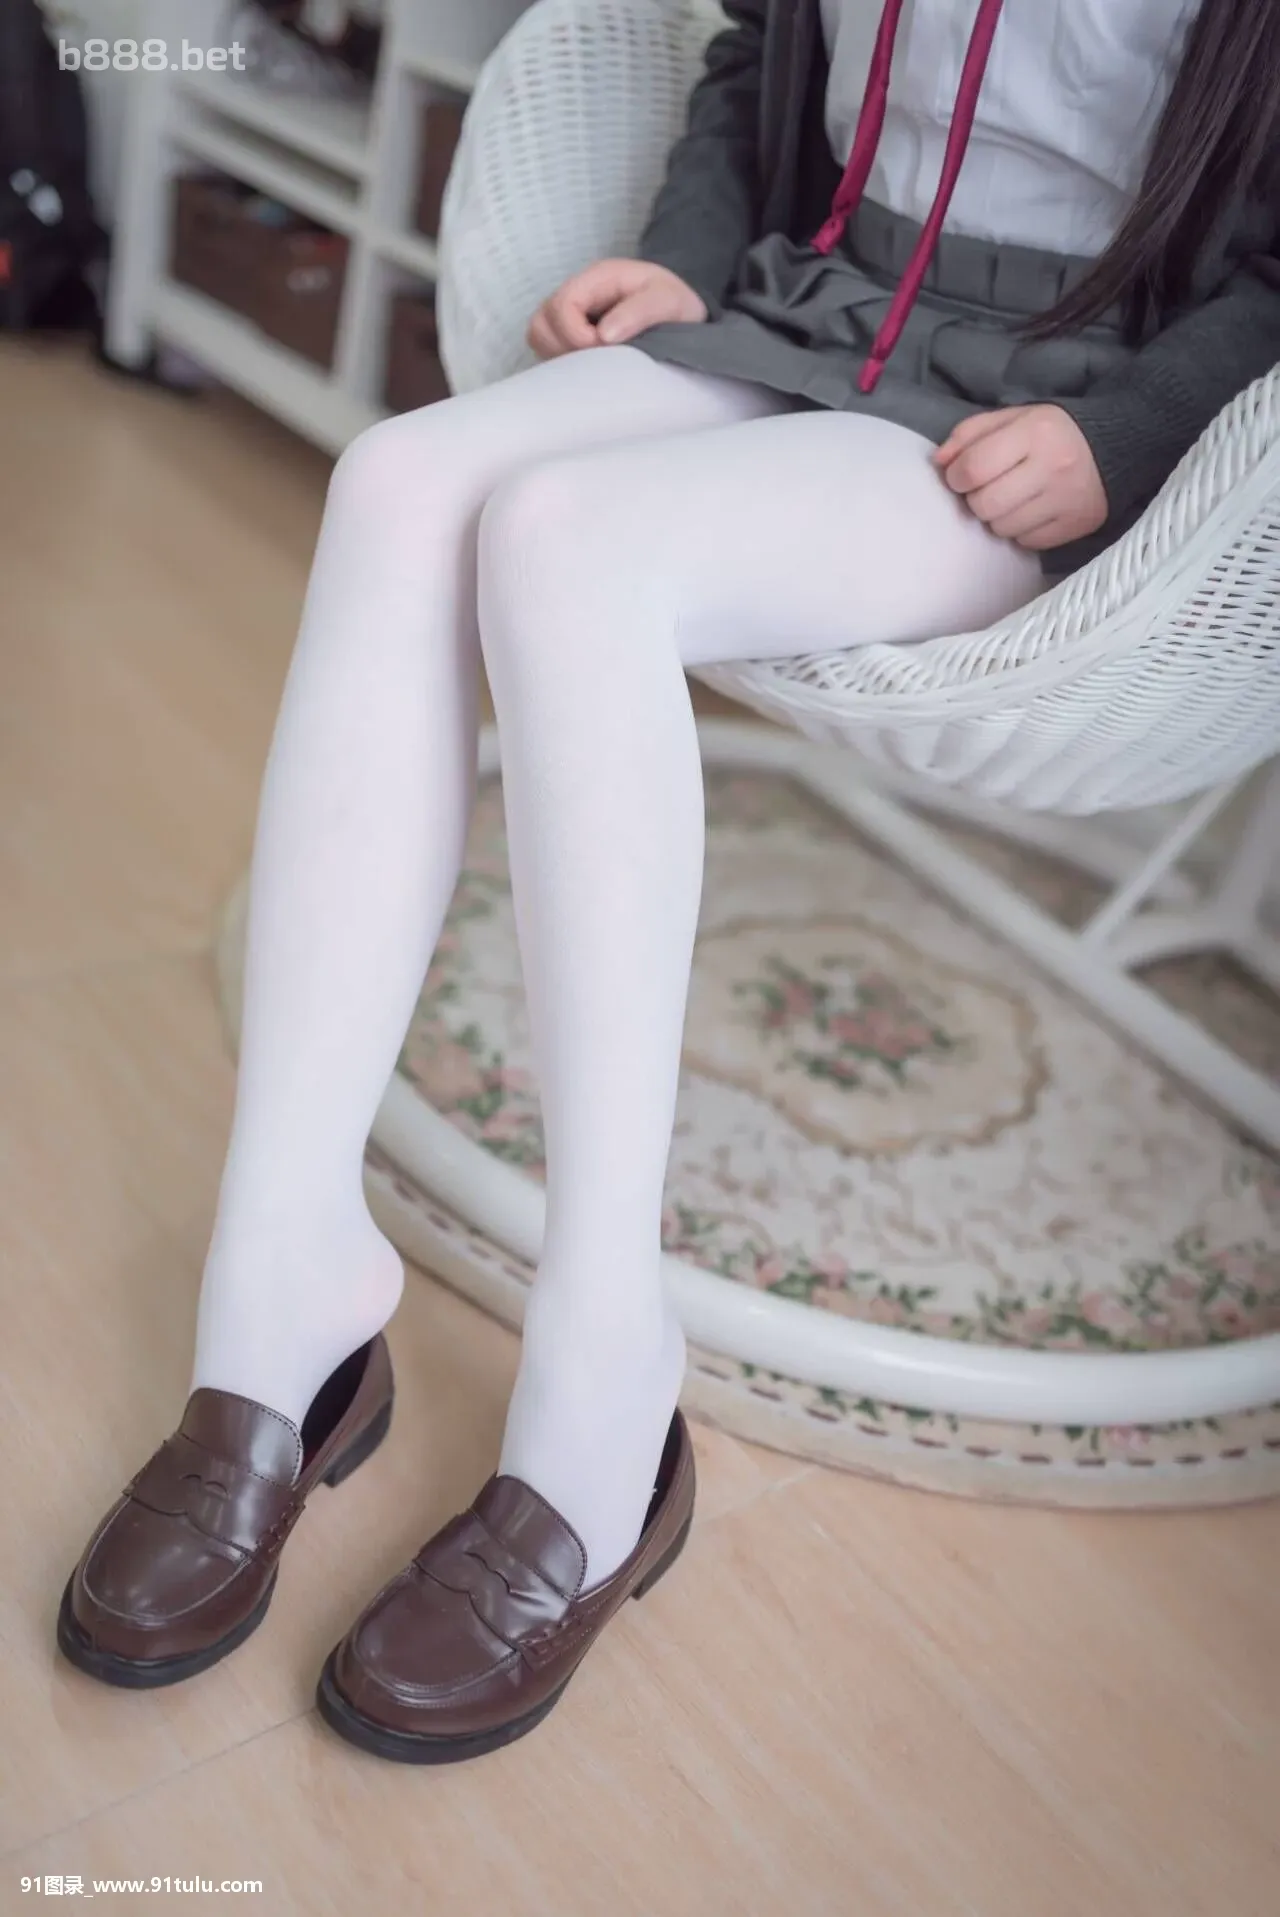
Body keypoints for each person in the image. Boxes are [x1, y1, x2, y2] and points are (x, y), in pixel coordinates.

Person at [61, 0, 1280, 1762]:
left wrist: (1135, 429)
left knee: (571, 550)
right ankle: (281, 1288)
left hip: (1041, 415)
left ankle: (604, 1377)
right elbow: (750, 57)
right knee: (397, 482)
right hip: (801, 311)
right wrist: (687, 265)